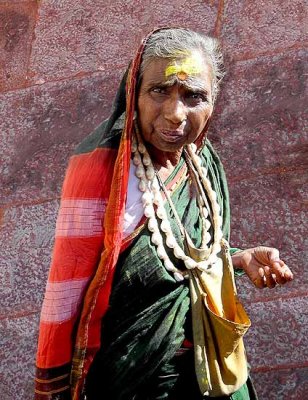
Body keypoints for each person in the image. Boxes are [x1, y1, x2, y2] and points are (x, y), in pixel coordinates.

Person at [34, 28, 293, 400]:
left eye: (193, 97)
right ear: (133, 94)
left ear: (213, 103)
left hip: (213, 365)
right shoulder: (103, 167)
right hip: (135, 375)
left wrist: (237, 259)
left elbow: (187, 253)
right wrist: (55, 385)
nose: (175, 114)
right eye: (159, 91)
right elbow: (67, 283)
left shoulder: (203, 161)